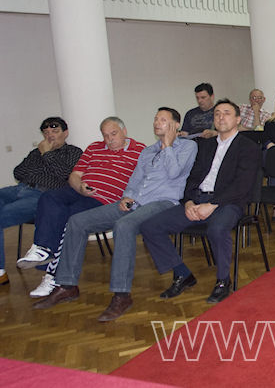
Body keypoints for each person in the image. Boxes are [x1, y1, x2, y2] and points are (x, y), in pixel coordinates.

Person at [32, 108, 197, 321]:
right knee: (77, 221)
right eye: (156, 119)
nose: (157, 123)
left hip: (163, 202)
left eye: (163, 120)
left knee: (124, 226)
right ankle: (67, 285)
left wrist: (167, 144)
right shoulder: (148, 151)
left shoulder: (188, 146)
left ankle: (121, 295)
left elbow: (175, 173)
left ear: (175, 125)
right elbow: (136, 179)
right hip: (136, 202)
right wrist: (128, 195)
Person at [140, 99, 260, 304]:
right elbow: (192, 177)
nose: (221, 117)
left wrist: (212, 205)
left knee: (217, 229)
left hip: (228, 203)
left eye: (227, 113)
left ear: (238, 119)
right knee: (150, 226)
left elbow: (242, 185)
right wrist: (188, 202)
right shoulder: (205, 145)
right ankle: (182, 274)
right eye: (217, 114)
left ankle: (223, 281)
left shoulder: (248, 147)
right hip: (197, 200)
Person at [19, 118, 145, 298]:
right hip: (78, 191)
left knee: (69, 219)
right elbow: (75, 175)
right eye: (105, 135)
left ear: (124, 131)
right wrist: (79, 186)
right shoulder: (94, 148)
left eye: (114, 134)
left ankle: (52, 277)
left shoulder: (140, 150)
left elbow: (145, 180)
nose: (109, 139)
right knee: (48, 197)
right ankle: (43, 248)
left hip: (103, 199)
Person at [0, 117, 82, 286]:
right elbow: (18, 172)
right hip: (19, 189)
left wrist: (46, 154)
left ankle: (0, 273)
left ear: (65, 133)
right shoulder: (35, 153)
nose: (50, 135)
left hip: (43, 195)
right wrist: (42, 161)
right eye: (46, 132)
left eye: (55, 131)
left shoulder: (73, 152)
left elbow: (64, 174)